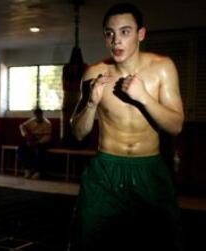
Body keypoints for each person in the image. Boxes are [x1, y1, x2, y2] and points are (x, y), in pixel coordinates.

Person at [69, 3, 184, 250]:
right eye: (110, 33)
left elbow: (176, 126)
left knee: (162, 241)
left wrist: (143, 97)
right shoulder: (94, 73)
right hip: (106, 170)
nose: (116, 41)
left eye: (125, 32)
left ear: (140, 34)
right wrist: (91, 104)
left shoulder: (162, 68)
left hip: (149, 169)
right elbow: (78, 133)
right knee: (87, 240)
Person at [17, 108, 52, 179]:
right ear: (34, 115)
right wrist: (26, 135)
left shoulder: (47, 123)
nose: (38, 117)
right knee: (21, 149)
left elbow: (47, 137)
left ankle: (38, 171)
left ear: (42, 114)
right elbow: (22, 126)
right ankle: (27, 169)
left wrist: (37, 143)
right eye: (36, 115)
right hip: (32, 140)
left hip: (43, 141)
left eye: (39, 115)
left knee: (40, 151)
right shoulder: (31, 121)